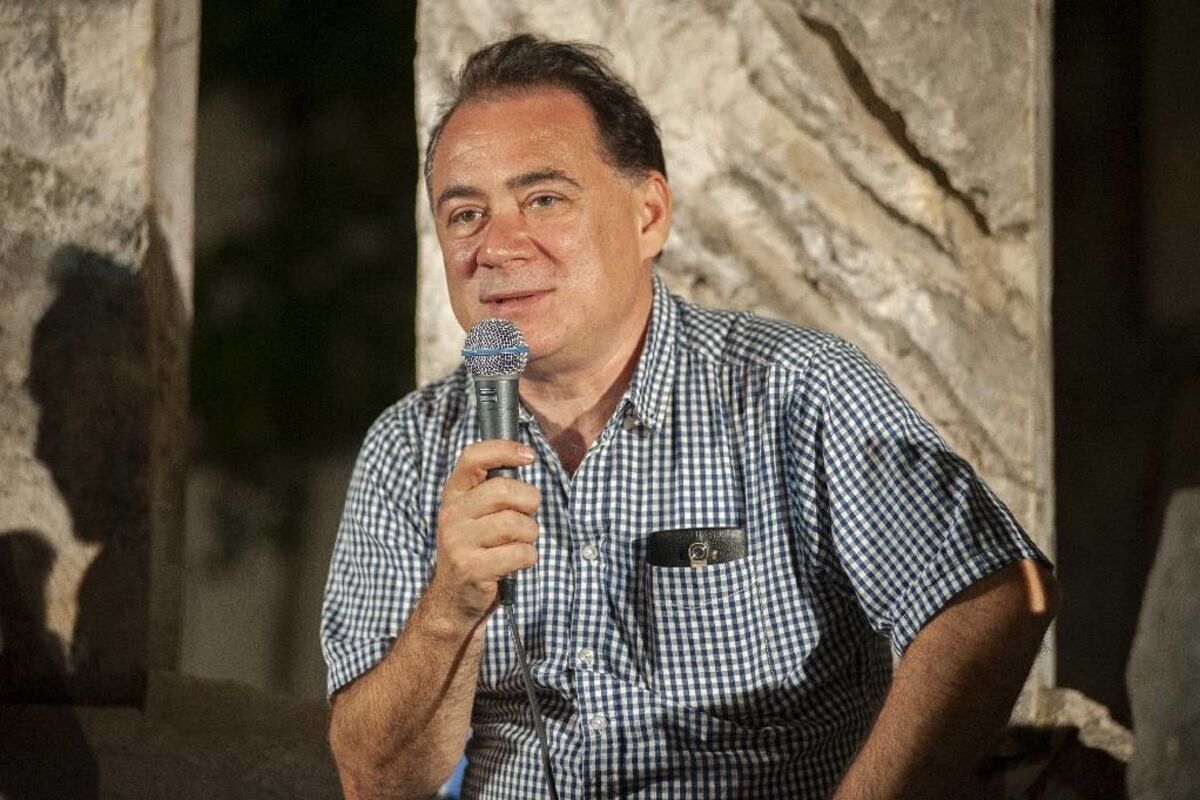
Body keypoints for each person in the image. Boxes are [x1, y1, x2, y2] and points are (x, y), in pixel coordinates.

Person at [320, 34, 1058, 800]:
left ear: (649, 216)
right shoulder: (410, 446)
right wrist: (450, 608)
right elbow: (375, 780)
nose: (498, 246)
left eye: (544, 200)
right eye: (465, 214)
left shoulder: (795, 389)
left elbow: (1003, 595)